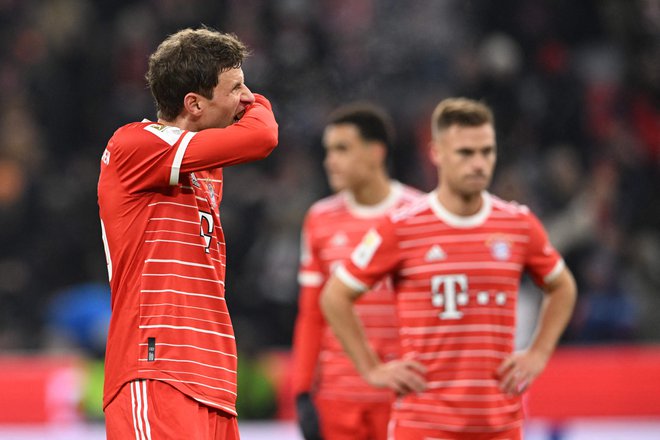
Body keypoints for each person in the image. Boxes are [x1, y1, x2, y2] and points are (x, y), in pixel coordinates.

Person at [320, 97, 577, 439]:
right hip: (424, 424)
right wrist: (372, 369)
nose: (479, 164)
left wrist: (538, 353)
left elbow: (562, 286)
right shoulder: (401, 227)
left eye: (487, 152)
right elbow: (335, 296)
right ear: (437, 153)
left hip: (500, 424)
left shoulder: (517, 224)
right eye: (465, 153)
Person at [97, 27, 278, 440]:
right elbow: (264, 135)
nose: (247, 98)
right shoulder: (134, 146)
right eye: (236, 88)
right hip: (156, 370)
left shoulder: (204, 167)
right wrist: (262, 103)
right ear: (193, 103)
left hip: (213, 380)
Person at [292, 103, 422, 440]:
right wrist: (303, 391)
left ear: (376, 153)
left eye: (342, 149)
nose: (329, 160)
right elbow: (310, 313)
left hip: (404, 393)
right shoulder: (319, 219)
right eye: (328, 150)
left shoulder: (419, 214)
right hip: (338, 399)